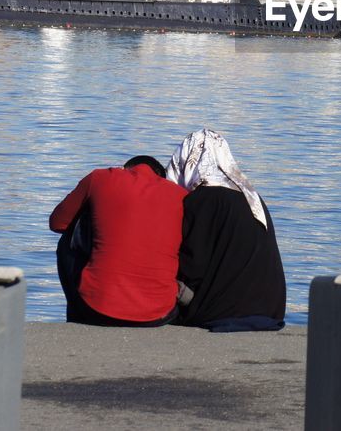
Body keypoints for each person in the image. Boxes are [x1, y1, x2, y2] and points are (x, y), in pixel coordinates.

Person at [167, 129, 286, 332]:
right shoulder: (252, 197)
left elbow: (192, 265)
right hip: (271, 309)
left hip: (225, 310)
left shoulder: (203, 199)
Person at [49, 155, 187, 327]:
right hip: (160, 314)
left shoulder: (100, 178)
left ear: (125, 168)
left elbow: (57, 223)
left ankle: (77, 316)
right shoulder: (181, 195)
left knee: (67, 239)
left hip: (96, 309)